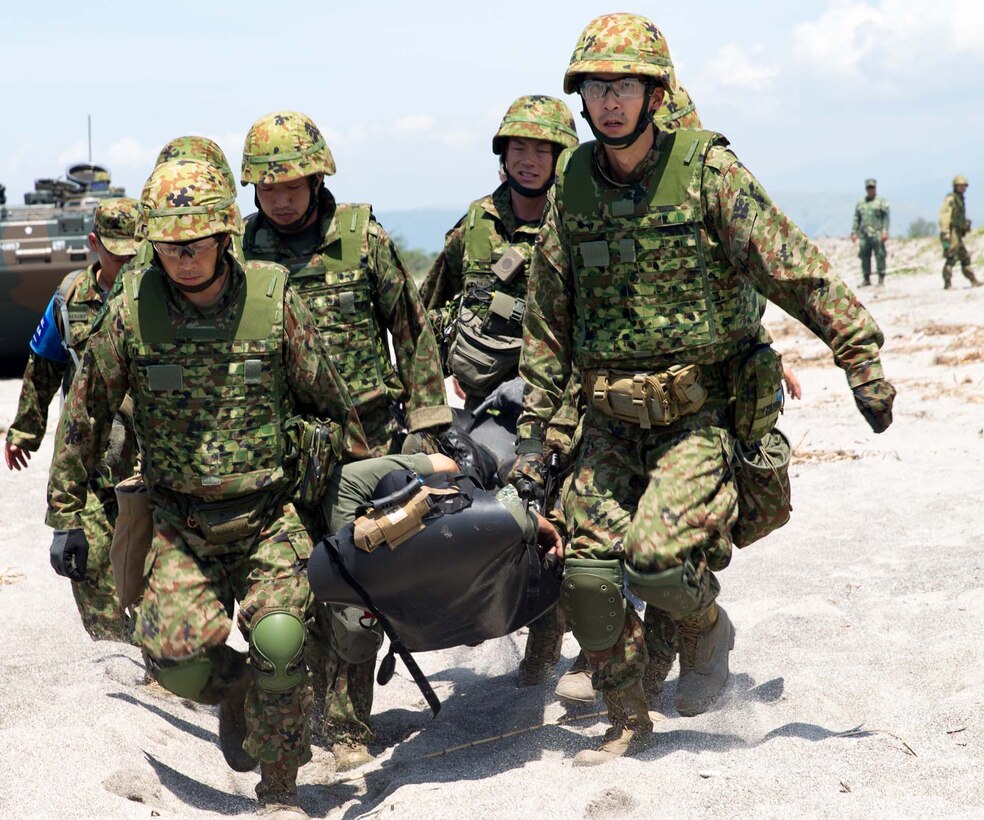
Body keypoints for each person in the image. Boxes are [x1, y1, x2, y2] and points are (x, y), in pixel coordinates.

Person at [511, 12, 896, 766]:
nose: (610, 101)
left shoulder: (709, 174)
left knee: (656, 564)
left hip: (696, 415)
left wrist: (859, 355)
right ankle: (628, 721)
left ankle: (706, 627)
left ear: (656, 94)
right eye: (596, 87)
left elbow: (794, 268)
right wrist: (535, 437)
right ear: (581, 98)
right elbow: (548, 321)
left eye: (625, 86)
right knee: (587, 574)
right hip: (608, 418)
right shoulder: (574, 185)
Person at [44, 157, 370, 817]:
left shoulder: (274, 299)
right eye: (167, 246)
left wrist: (346, 491)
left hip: (269, 514)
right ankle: (241, 693)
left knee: (280, 639)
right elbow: (84, 417)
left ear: (225, 235)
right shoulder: (131, 313)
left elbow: (336, 410)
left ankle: (280, 790)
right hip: (179, 525)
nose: (181, 258)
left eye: (193, 244)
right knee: (175, 662)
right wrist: (66, 516)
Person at [239, 110, 452, 771]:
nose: (279, 199)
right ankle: (296, 721)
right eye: (266, 188)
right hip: (282, 455)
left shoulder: (362, 240)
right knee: (296, 588)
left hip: (366, 443)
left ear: (317, 177)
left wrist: (429, 430)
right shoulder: (241, 252)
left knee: (359, 592)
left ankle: (350, 728)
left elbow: (410, 332)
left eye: (291, 185)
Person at [6, 197, 140, 641]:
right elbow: (42, 366)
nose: (123, 263)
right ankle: (114, 651)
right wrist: (26, 430)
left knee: (149, 563)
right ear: (93, 243)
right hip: (91, 459)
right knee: (88, 560)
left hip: (147, 460)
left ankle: (158, 661)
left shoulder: (155, 295)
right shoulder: (69, 297)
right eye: (114, 252)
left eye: (131, 254)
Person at [939, 175, 978, 289]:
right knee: (951, 258)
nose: (962, 188)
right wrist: (945, 231)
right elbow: (945, 215)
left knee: (965, 257)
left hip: (958, 233)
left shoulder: (960, 199)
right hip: (952, 233)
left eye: (963, 186)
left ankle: (973, 280)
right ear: (955, 186)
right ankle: (947, 283)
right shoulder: (951, 199)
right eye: (959, 186)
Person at [851, 179, 890, 287]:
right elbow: (856, 218)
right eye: (869, 188)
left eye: (872, 188)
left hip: (877, 233)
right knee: (864, 256)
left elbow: (886, 218)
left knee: (880, 255)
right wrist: (854, 232)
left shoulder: (881, 202)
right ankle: (866, 278)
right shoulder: (861, 203)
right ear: (866, 189)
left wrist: (885, 231)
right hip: (864, 234)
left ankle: (881, 278)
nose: (870, 190)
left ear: (875, 188)